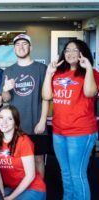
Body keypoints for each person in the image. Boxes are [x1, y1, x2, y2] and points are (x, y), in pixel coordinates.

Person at [42, 39, 99, 200]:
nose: (70, 53)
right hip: (59, 131)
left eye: (75, 50)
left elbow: (90, 93)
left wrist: (88, 68)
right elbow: (46, 96)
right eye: (67, 50)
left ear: (83, 53)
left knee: (77, 174)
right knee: (65, 173)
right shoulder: (58, 73)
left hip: (81, 132)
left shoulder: (92, 73)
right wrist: (48, 73)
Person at [1, 34, 49, 178]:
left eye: (24, 44)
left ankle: (39, 190)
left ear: (30, 47)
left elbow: (46, 98)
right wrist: (6, 89)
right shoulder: (9, 71)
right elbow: (6, 99)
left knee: (38, 159)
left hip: (36, 124)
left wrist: (42, 122)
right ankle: (22, 190)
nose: (21, 47)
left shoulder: (41, 69)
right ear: (14, 49)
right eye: (17, 45)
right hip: (16, 125)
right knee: (18, 160)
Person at [0, 105, 46, 200]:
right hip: (12, 187)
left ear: (16, 123)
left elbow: (30, 175)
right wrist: (2, 193)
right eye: (1, 117)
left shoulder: (24, 141)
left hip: (32, 188)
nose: (4, 122)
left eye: (10, 119)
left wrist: (10, 197)